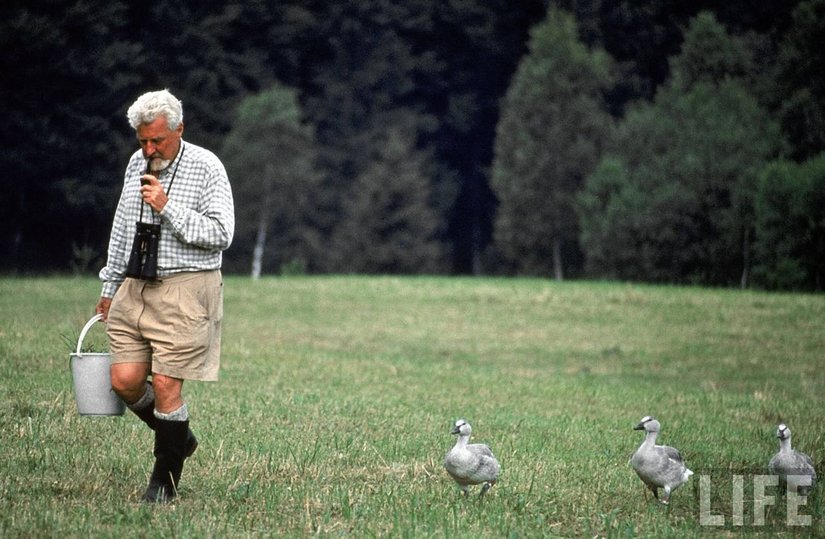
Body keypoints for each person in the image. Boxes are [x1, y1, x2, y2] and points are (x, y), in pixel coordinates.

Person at [96, 89, 235, 503]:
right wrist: (109, 285)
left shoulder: (207, 166)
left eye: (157, 140)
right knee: (124, 380)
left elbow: (221, 235)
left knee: (167, 385)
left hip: (186, 288)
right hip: (135, 286)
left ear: (180, 129)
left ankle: (164, 483)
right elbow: (123, 225)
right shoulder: (136, 164)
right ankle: (178, 437)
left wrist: (167, 206)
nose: (149, 149)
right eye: (142, 141)